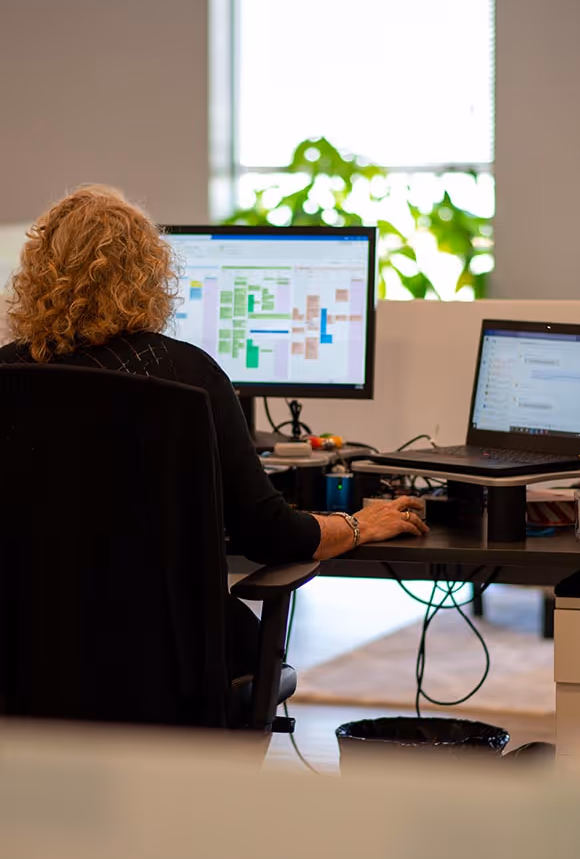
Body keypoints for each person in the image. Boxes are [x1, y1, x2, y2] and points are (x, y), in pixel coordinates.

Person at [0, 186, 428, 677]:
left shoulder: (8, 376)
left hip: (24, 672)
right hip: (163, 672)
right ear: (148, 274)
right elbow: (269, 534)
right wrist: (359, 524)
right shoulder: (188, 376)